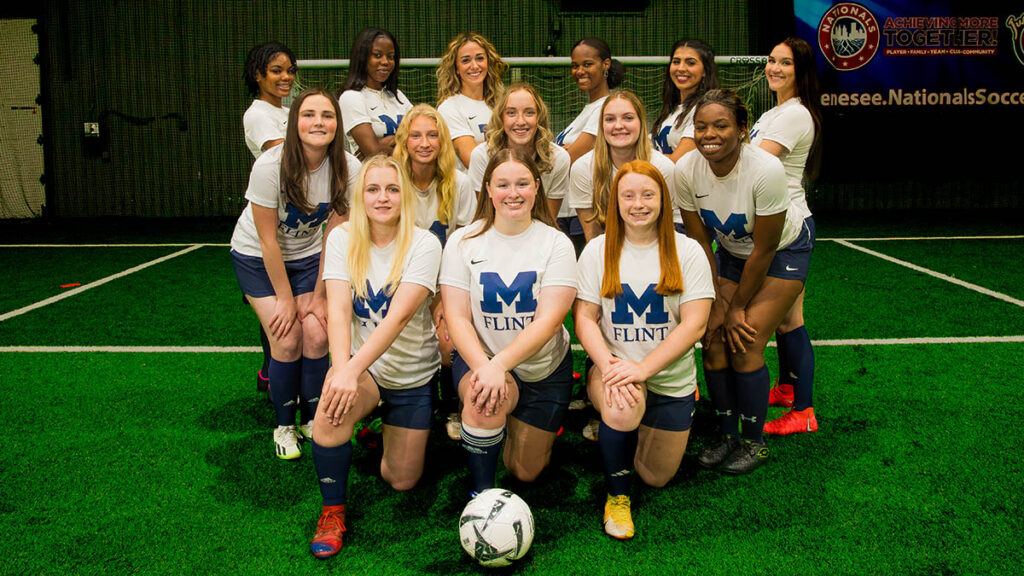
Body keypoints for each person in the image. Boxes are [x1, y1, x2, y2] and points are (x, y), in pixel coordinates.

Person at [308, 155, 443, 558]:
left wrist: (350, 368)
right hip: (364, 371)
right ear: (359, 195)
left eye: (392, 189)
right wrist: (340, 370)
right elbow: (337, 309)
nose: (382, 198)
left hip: (411, 374)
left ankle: (382, 426)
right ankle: (332, 512)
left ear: (404, 196)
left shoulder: (424, 242)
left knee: (401, 480)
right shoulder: (341, 237)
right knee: (329, 414)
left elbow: (398, 317)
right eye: (373, 189)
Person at [574, 160, 713, 539]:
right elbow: (584, 318)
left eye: (648, 194)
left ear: (663, 200)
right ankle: (617, 497)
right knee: (623, 402)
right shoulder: (597, 250)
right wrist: (609, 366)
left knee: (655, 476)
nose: (638, 204)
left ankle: (622, 433)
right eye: (629, 195)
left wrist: (644, 369)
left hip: (668, 377)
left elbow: (695, 324)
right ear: (615, 202)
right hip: (615, 370)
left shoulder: (688, 251)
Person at [674, 90, 810, 475]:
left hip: (783, 252)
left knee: (745, 339)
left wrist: (736, 307)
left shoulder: (765, 170)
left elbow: (764, 251)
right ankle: (726, 433)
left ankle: (754, 441)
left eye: (720, 125)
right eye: (701, 126)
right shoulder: (686, 169)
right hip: (732, 254)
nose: (708, 134)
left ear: (742, 130)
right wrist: (714, 297)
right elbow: (701, 240)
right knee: (713, 339)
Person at [229, 88, 360, 459]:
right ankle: (284, 424)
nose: (318, 122)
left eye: (327, 115)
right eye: (309, 114)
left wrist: (319, 294)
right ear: (293, 122)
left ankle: (311, 417)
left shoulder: (349, 168)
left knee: (317, 334)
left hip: (308, 257)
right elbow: (268, 241)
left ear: (337, 124)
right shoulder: (270, 166)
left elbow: (335, 234)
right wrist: (285, 300)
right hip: (257, 257)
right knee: (285, 338)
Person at [440, 149, 577, 496]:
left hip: (543, 369)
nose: (512, 193)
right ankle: (481, 495)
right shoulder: (463, 241)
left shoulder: (556, 243)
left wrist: (499, 365)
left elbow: (548, 321)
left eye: (522, 184)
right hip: (481, 360)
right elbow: (456, 316)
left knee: (525, 471)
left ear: (536, 188)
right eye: (502, 184)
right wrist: (486, 368)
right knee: (485, 400)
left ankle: (517, 423)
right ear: (487, 189)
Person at [749, 37, 823, 436]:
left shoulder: (795, 115)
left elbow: (757, 162)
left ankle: (804, 411)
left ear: (801, 71)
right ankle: (789, 390)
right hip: (783, 223)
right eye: (772, 60)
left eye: (785, 63)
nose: (774, 68)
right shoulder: (776, 111)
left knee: (789, 321)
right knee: (790, 320)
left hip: (789, 226)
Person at [392, 104, 477, 440]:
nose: (424, 143)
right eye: (416, 135)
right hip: (400, 283)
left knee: (448, 339)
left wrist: (444, 297)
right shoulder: (393, 182)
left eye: (432, 135)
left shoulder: (460, 183)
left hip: (445, 282)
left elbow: (464, 246)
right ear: (404, 141)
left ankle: (453, 406)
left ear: (443, 142)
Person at [243, 41, 298, 392]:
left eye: (290, 70)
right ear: (258, 75)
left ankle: (274, 370)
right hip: (273, 223)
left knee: (290, 311)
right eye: (277, 70)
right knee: (278, 310)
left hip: (297, 225)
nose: (286, 77)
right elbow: (286, 158)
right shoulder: (259, 114)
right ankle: (269, 372)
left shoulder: (287, 110)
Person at [569, 90, 676, 243]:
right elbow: (592, 235)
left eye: (628, 118)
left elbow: (667, 228)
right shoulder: (583, 168)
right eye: (610, 119)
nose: (618, 126)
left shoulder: (663, 168)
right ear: (601, 125)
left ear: (642, 122)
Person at [555, 38, 625, 251]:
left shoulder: (607, 107)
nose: (579, 71)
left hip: (584, 212)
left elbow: (568, 158)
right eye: (575, 66)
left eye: (587, 64)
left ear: (605, 64)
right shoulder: (589, 109)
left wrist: (559, 152)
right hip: (565, 210)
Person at [466, 83, 570, 225]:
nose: (520, 121)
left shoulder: (558, 158)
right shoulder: (482, 156)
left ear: (539, 117)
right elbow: (485, 218)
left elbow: (548, 222)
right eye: (511, 113)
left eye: (529, 112)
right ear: (501, 118)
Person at [436, 32, 507, 172]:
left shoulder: (501, 104)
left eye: (480, 58)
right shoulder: (449, 108)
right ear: (456, 68)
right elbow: (472, 159)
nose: (474, 66)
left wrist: (479, 144)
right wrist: (506, 146)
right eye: (466, 60)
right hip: (470, 192)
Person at [338, 28, 411, 159]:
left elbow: (422, 136)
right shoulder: (351, 97)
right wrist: (404, 142)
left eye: (391, 56)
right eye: (377, 55)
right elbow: (373, 152)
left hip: (403, 175)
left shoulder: (398, 96)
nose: (385, 62)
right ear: (362, 57)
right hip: (372, 176)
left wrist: (385, 141)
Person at [651, 40, 719, 163]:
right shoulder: (672, 109)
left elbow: (677, 161)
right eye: (676, 62)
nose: (681, 68)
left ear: (705, 71)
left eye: (690, 63)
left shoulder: (705, 110)